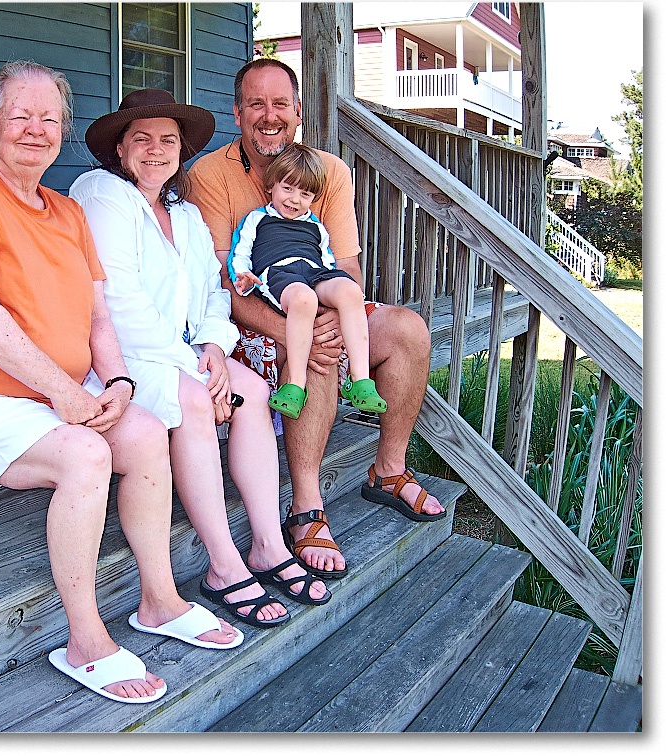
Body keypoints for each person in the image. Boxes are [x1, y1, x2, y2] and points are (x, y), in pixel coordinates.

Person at [0, 62, 240, 706]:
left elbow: (99, 317)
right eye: (20, 116)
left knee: (144, 432)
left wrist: (117, 380)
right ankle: (86, 640)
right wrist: (65, 391)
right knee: (86, 454)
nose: (36, 129)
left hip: (43, 397)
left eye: (50, 118)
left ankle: (160, 601)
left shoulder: (66, 211)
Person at [69, 88, 333, 628]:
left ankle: (267, 544)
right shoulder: (101, 194)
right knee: (194, 397)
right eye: (142, 139)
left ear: (180, 150)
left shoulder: (185, 214)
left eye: (168, 140)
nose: (156, 150)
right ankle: (223, 563)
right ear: (119, 149)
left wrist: (213, 348)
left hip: (183, 352)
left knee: (252, 388)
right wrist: (197, 369)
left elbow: (215, 291)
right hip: (118, 357)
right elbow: (119, 301)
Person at [188, 58, 446, 579]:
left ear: (298, 111)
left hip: (318, 299)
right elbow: (220, 284)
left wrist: (326, 319)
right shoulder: (209, 175)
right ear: (237, 113)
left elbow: (346, 264)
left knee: (407, 329)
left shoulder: (328, 171)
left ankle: (388, 469)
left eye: (280, 104)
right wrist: (296, 331)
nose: (269, 116)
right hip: (249, 320)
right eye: (256, 105)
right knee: (315, 355)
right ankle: (306, 505)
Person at [229, 142, 387, 420]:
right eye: (288, 188)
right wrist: (242, 276)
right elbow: (239, 254)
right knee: (304, 299)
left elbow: (327, 263)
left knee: (350, 291)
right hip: (278, 274)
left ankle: (361, 380)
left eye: (305, 194)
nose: (294, 200)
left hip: (314, 272)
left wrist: (335, 298)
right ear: (271, 185)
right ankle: (295, 385)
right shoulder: (256, 219)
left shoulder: (316, 226)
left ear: (314, 197)